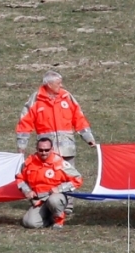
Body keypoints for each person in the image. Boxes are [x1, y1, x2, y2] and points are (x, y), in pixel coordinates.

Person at [16, 70, 95, 215]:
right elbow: (25, 122)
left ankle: (69, 205)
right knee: (46, 176)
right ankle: (46, 204)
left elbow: (79, 118)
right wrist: (22, 144)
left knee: (69, 176)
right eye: (58, 83)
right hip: (47, 149)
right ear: (49, 84)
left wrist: (88, 138)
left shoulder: (66, 97)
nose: (61, 85)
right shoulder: (36, 99)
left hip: (67, 148)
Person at [15, 137, 83, 229]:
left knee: (54, 200)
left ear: (52, 149)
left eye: (47, 150)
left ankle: (59, 221)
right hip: (39, 200)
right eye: (41, 150)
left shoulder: (60, 163)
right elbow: (20, 179)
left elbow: (77, 179)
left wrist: (59, 189)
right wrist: (27, 191)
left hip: (56, 197)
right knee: (29, 223)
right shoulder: (29, 163)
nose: (44, 153)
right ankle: (49, 218)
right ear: (37, 149)